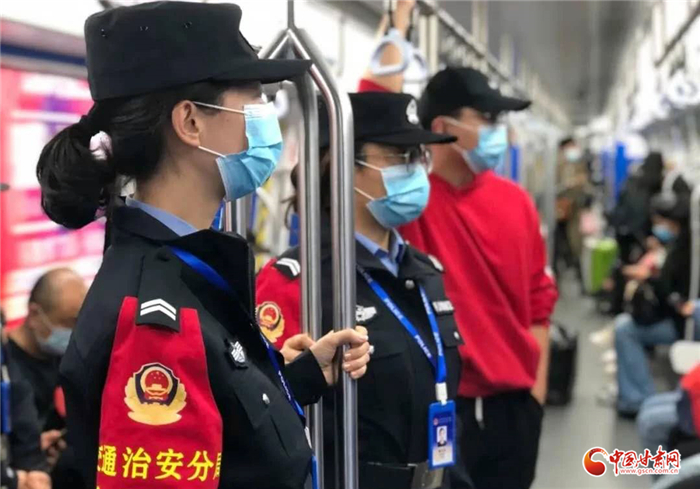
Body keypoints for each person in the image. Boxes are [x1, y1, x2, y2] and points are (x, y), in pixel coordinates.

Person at [35, 3, 370, 489]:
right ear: (190, 122)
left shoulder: (187, 271)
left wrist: (296, 377)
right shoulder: (155, 323)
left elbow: (224, 434)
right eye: (255, 99)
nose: (266, 118)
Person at [360, 61, 558, 487]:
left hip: (514, 409)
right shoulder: (407, 206)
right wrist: (394, 36)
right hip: (444, 406)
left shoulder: (518, 203)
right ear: (442, 127)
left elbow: (540, 303)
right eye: (486, 118)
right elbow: (367, 116)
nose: (497, 130)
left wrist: (535, 398)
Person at [256, 92, 463, 489]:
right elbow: (268, 416)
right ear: (343, 166)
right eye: (399, 156)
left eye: (418, 156)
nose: (415, 170)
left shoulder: (423, 272)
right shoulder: (298, 282)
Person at [615, 191, 697, 417]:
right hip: (680, 316)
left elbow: (671, 292)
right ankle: (637, 396)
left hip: (684, 322)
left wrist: (648, 277)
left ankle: (639, 399)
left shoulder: (684, 252)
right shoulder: (682, 244)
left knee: (625, 329)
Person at [5, 269, 87, 489]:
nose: (75, 332)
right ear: (34, 314)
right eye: (68, 323)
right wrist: (22, 456)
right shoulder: (8, 371)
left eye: (81, 323)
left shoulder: (62, 359)